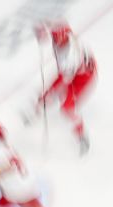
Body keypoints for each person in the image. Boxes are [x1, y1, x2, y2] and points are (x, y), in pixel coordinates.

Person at [29, 21, 97, 155]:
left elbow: (63, 82)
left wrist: (48, 95)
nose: (54, 40)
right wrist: (44, 31)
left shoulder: (69, 55)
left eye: (55, 39)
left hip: (83, 78)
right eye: (53, 38)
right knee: (50, 94)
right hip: (75, 69)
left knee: (67, 107)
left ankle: (81, 135)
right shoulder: (66, 36)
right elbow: (60, 26)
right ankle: (40, 107)